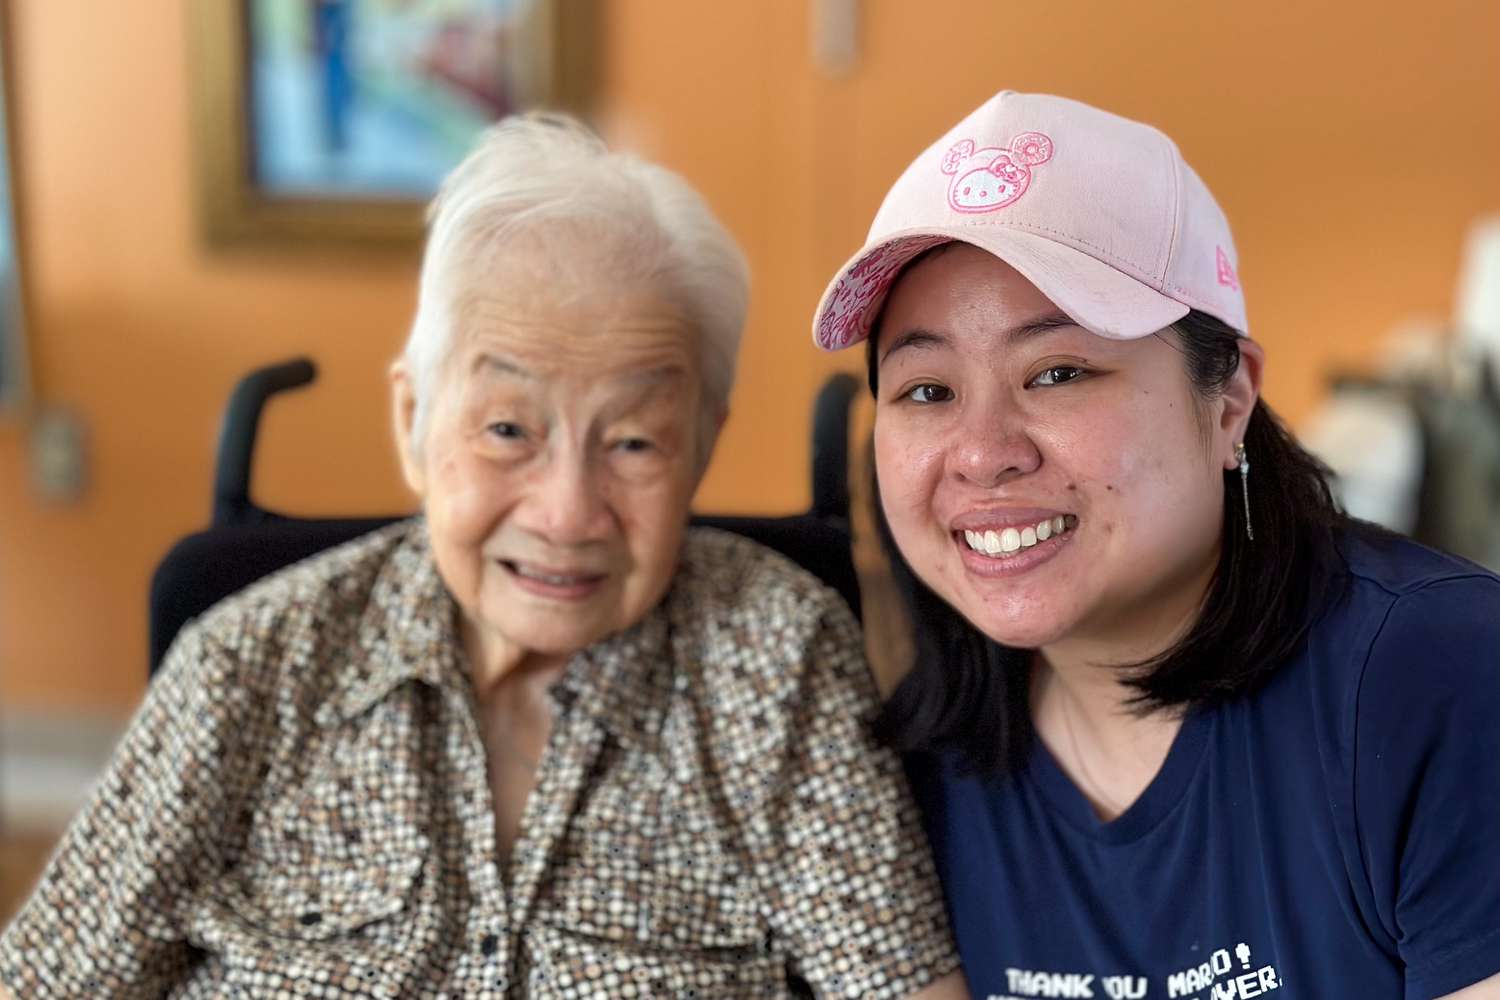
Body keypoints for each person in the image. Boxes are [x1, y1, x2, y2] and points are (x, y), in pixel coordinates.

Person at [0, 114, 965, 999]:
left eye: (634, 442)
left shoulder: (775, 658)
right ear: (412, 420)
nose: (567, 512)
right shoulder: (248, 668)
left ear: (702, 447)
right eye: (509, 429)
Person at [812, 90, 1500, 999]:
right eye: (927, 391)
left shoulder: (1441, 675)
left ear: (1229, 401)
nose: (982, 454)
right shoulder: (910, 767)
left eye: (1058, 372)